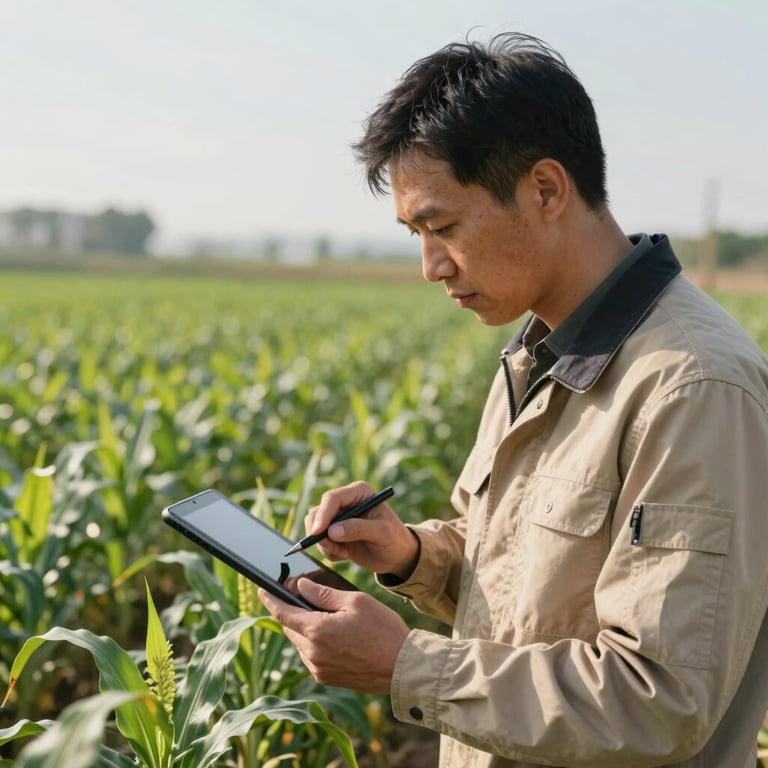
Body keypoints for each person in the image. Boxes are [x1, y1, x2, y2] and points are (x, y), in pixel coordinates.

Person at [259, 31, 768, 767]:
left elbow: (658, 699)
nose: (432, 265)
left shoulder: (692, 388)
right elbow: (531, 581)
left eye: (443, 226)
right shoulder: (541, 352)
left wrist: (408, 666)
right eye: (416, 234)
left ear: (546, 190)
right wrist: (412, 557)